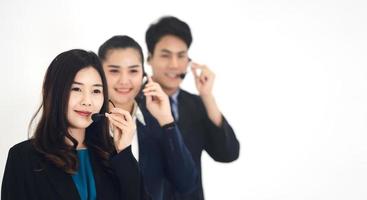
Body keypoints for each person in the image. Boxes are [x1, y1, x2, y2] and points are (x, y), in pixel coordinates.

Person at [1, 49, 147, 200]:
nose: (87, 101)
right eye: (76, 89)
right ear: (54, 92)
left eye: (96, 91)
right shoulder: (23, 157)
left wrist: (124, 152)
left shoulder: (113, 155)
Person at [145, 16, 240, 200]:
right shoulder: (133, 102)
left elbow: (228, 153)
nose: (174, 64)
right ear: (149, 58)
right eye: (165, 55)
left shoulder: (197, 105)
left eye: (181, 56)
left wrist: (206, 96)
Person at [98, 35, 198, 200]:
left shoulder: (157, 121)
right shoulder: (88, 122)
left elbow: (186, 183)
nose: (124, 81)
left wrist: (167, 120)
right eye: (114, 70)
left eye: (133, 71)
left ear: (144, 76)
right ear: (99, 74)